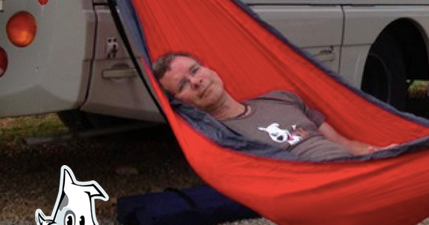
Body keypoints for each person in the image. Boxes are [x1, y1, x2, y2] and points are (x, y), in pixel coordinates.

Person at [153, 53, 385, 159]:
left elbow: (344, 144)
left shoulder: (281, 98)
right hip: (323, 186)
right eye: (183, 84)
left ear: (209, 68)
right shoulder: (220, 138)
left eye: (195, 71)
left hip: (358, 170)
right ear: (180, 102)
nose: (196, 82)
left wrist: (381, 154)